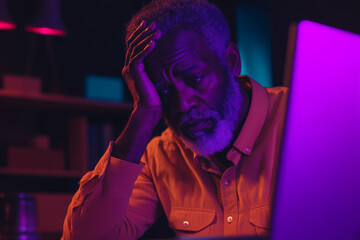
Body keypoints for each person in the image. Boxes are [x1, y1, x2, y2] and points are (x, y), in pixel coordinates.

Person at [62, 0, 288, 239]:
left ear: (231, 61)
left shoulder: (301, 123)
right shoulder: (161, 155)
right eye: (164, 91)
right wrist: (143, 114)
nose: (182, 105)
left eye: (195, 79)